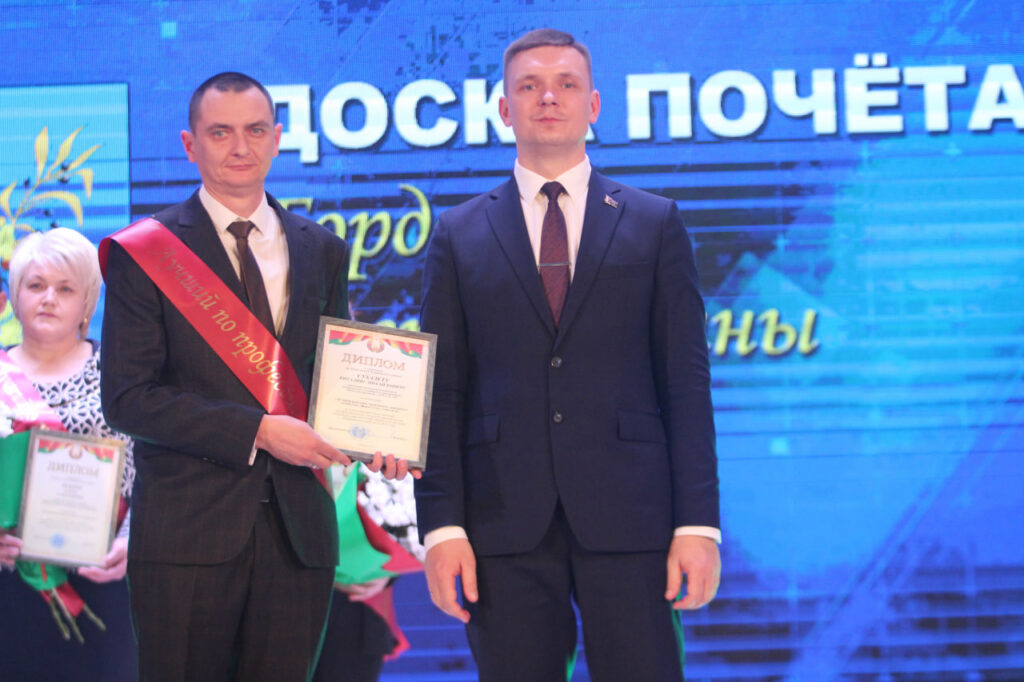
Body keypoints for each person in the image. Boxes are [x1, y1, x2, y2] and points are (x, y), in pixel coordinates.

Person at [415, 28, 721, 681]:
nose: (548, 98)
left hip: (634, 518)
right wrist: (441, 528)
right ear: (504, 109)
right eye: (529, 86)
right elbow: (440, 394)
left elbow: (686, 385)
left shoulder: (654, 222)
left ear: (594, 104)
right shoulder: (458, 233)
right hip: (500, 522)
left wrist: (699, 524)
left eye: (566, 85)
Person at [99, 71, 413, 682]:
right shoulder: (147, 252)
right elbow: (129, 399)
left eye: (255, 130)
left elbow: (333, 381)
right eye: (220, 132)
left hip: (299, 535)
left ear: (277, 138)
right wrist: (259, 431)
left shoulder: (322, 249)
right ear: (190, 144)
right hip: (186, 535)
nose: (240, 147)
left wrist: (380, 434)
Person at [0, 228, 137, 680]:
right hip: (9, 582)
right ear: (15, 295)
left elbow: (157, 472)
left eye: (65, 289)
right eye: (35, 285)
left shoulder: (122, 376)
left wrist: (132, 539)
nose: (48, 299)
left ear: (87, 302)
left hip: (104, 578)